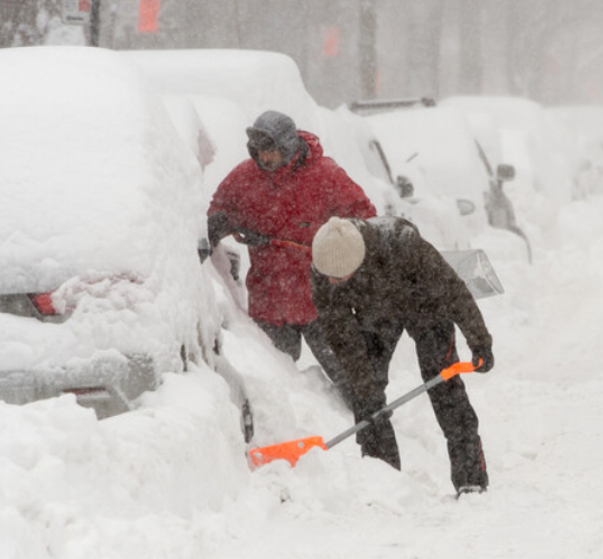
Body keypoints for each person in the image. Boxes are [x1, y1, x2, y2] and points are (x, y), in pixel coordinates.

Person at [309, 216, 493, 496]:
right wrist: (366, 385)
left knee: (444, 385)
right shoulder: (325, 267)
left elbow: (454, 291)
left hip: (426, 308)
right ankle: (382, 479)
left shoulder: (404, 245)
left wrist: (479, 341)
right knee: (365, 396)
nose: (332, 282)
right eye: (328, 277)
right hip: (376, 317)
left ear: (357, 264)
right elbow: (341, 334)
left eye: (339, 276)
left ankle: (471, 478)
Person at [206, 110, 376, 403]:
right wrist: (219, 223)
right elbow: (218, 212)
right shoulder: (244, 178)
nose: (265, 159)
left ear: (288, 146)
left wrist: (339, 243)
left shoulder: (325, 176)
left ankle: (370, 421)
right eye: (259, 152)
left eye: (271, 151)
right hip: (270, 301)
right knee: (275, 390)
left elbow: (364, 219)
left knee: (353, 381)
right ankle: (292, 436)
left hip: (321, 299)